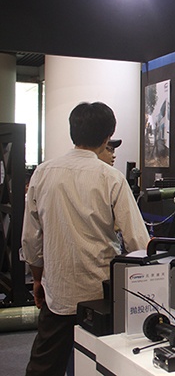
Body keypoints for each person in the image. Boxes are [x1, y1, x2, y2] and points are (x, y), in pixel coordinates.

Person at [21, 102, 150, 376]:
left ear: (72, 132)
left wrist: (37, 278)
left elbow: (31, 239)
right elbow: (138, 243)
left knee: (44, 366)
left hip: (58, 292)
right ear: (106, 137)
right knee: (100, 364)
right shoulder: (112, 178)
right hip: (100, 294)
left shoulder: (42, 173)